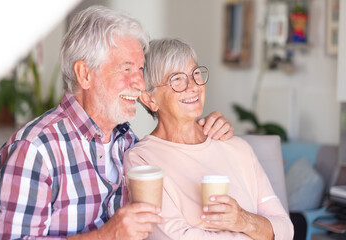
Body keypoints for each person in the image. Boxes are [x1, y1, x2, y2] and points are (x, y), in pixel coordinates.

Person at [0, 6, 234, 240]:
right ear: (85, 74)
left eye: (140, 69)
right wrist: (106, 236)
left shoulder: (127, 141)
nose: (139, 82)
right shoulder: (34, 149)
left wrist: (206, 133)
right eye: (126, 69)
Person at [124, 38, 294, 240]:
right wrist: (256, 232)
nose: (193, 86)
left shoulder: (236, 147)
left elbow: (285, 229)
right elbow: (169, 236)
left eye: (195, 73)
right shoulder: (142, 160)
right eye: (176, 79)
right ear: (149, 99)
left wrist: (242, 220)